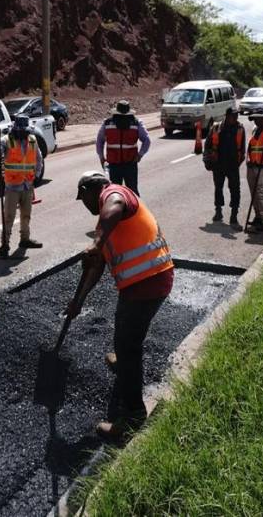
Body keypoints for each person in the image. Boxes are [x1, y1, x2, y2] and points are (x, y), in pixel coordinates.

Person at [65, 171, 174, 441]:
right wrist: (78, 302)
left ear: (94, 189)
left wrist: (97, 241)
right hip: (142, 283)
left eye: (84, 198)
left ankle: (134, 414)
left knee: (127, 344)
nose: (86, 204)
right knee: (125, 329)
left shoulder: (113, 195)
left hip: (148, 281)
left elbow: (114, 204)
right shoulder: (106, 225)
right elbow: (97, 266)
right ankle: (123, 362)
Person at [0, 116, 44, 258]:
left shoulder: (32, 140)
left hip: (28, 185)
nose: (25, 134)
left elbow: (39, 159)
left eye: (26, 131)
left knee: (26, 215)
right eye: (22, 131)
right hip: (13, 186)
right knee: (9, 217)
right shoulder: (6, 140)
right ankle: (5, 244)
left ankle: (25, 240)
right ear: (16, 129)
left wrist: (37, 175)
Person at [96, 100, 150, 195]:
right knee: (131, 193)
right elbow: (147, 140)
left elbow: (99, 141)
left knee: (117, 193)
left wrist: (101, 158)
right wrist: (140, 155)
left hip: (119, 164)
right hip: (126, 164)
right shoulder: (136, 123)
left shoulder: (108, 123)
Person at [203, 106, 246, 226]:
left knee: (235, 190)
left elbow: (242, 149)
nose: (236, 117)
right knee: (218, 188)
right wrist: (206, 160)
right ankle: (218, 211)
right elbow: (207, 145)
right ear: (227, 116)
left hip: (233, 165)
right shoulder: (216, 128)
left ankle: (234, 215)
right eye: (233, 115)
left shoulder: (240, 129)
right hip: (218, 165)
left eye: (237, 115)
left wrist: (238, 162)